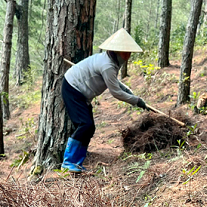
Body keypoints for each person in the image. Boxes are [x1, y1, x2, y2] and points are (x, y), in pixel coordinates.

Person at [61, 28, 150, 172]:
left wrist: (128, 92)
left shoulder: (110, 61)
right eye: (124, 52)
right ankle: (68, 161)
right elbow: (115, 92)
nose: (127, 55)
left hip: (81, 92)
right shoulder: (107, 65)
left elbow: (114, 82)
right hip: (73, 88)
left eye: (129, 52)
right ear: (116, 51)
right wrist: (136, 100)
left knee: (90, 128)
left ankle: (77, 162)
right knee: (85, 124)